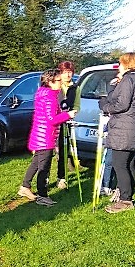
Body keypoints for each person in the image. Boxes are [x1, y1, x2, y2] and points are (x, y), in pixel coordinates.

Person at [18, 70, 76, 206]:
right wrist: (68, 115)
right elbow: (52, 119)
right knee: (44, 168)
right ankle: (42, 195)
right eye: (59, 80)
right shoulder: (50, 97)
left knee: (36, 163)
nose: (61, 83)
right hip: (45, 137)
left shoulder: (43, 94)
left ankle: (25, 187)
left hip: (40, 135)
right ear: (50, 82)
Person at [99, 52, 135, 213]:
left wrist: (105, 107)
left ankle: (125, 200)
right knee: (128, 164)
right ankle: (127, 196)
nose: (118, 67)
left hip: (124, 130)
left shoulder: (129, 80)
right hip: (133, 128)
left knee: (120, 165)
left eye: (120, 63)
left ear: (126, 64)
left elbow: (121, 104)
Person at [55, 61, 81, 190]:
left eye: (69, 72)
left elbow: (77, 106)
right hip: (53, 122)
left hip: (66, 123)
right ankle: (44, 179)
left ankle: (61, 177)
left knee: (63, 150)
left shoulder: (75, 88)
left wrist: (72, 113)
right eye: (65, 72)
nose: (67, 75)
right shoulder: (55, 85)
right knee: (47, 152)